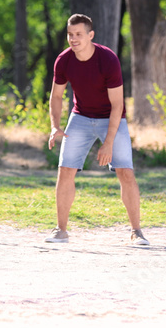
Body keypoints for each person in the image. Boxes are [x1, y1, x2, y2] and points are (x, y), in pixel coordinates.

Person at [46, 14, 149, 246]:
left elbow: (117, 105)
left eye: (79, 34)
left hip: (111, 117)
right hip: (80, 117)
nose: (73, 39)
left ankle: (136, 232)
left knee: (125, 172)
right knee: (65, 170)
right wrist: (55, 126)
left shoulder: (108, 59)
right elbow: (57, 96)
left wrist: (109, 143)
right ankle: (60, 230)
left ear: (90, 35)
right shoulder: (63, 60)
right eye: (70, 35)